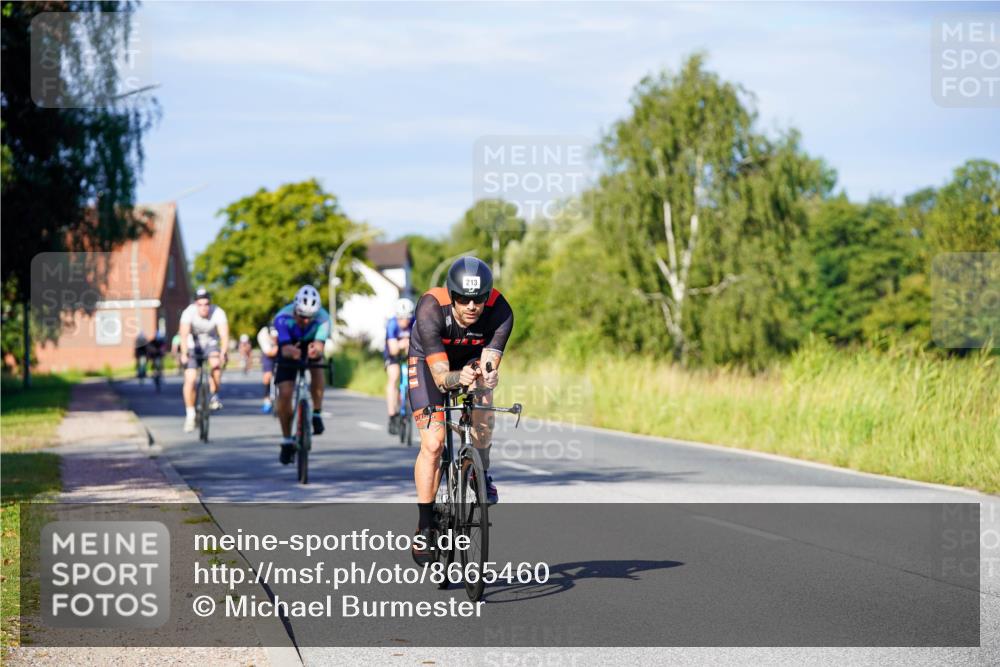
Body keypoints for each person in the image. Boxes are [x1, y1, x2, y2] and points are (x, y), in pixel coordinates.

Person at [406, 257, 513, 564]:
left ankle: (480, 472)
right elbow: (441, 378)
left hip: (470, 360)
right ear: (451, 295)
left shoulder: (501, 312)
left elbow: (490, 359)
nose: (471, 306)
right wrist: (456, 378)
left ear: (487, 297)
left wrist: (488, 373)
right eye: (463, 299)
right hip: (429, 363)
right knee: (434, 441)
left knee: (484, 394)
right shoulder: (430, 307)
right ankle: (425, 524)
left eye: (478, 299)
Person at [272, 285, 331, 464]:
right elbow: (285, 347)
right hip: (289, 346)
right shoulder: (282, 317)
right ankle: (286, 440)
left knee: (318, 367)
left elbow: (320, 346)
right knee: (285, 393)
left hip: (311, 345)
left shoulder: (324, 318)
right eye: (302, 316)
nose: (306, 321)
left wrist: (316, 351)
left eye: (310, 317)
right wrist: (293, 352)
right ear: (295, 309)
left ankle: (316, 413)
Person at [178, 287, 229, 432]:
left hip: (210, 343)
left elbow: (224, 335)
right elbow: (183, 335)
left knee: (216, 365)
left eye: (206, 304)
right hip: (192, 344)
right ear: (195, 304)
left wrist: (223, 352)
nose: (204, 308)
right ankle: (190, 414)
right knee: (190, 379)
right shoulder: (188, 313)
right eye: (200, 304)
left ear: (210, 304)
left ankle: (214, 396)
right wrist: (184, 353)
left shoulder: (218, 313)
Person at [384, 297, 415, 434]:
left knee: (414, 375)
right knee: (394, 376)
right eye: (402, 318)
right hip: (393, 356)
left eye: (408, 318)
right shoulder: (392, 324)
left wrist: (407, 344)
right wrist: (403, 344)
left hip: (410, 354)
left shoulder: (414, 323)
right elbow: (393, 350)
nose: (405, 321)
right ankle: (392, 415)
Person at [257, 325, 279, 413]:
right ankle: (266, 399)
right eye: (273, 337)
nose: (275, 339)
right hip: (268, 353)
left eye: (276, 337)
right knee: (267, 375)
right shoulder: (263, 335)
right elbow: (269, 353)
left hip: (279, 350)